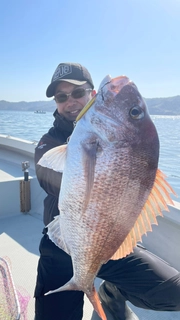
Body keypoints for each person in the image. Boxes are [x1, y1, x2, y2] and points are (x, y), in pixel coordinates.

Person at [34, 62, 180, 320]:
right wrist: (83, 146)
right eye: (61, 97)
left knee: (175, 293)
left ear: (92, 93)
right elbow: (47, 177)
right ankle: (87, 281)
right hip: (61, 242)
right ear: (56, 102)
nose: (70, 102)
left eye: (77, 93)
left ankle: (112, 291)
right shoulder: (49, 141)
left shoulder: (110, 139)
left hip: (109, 243)